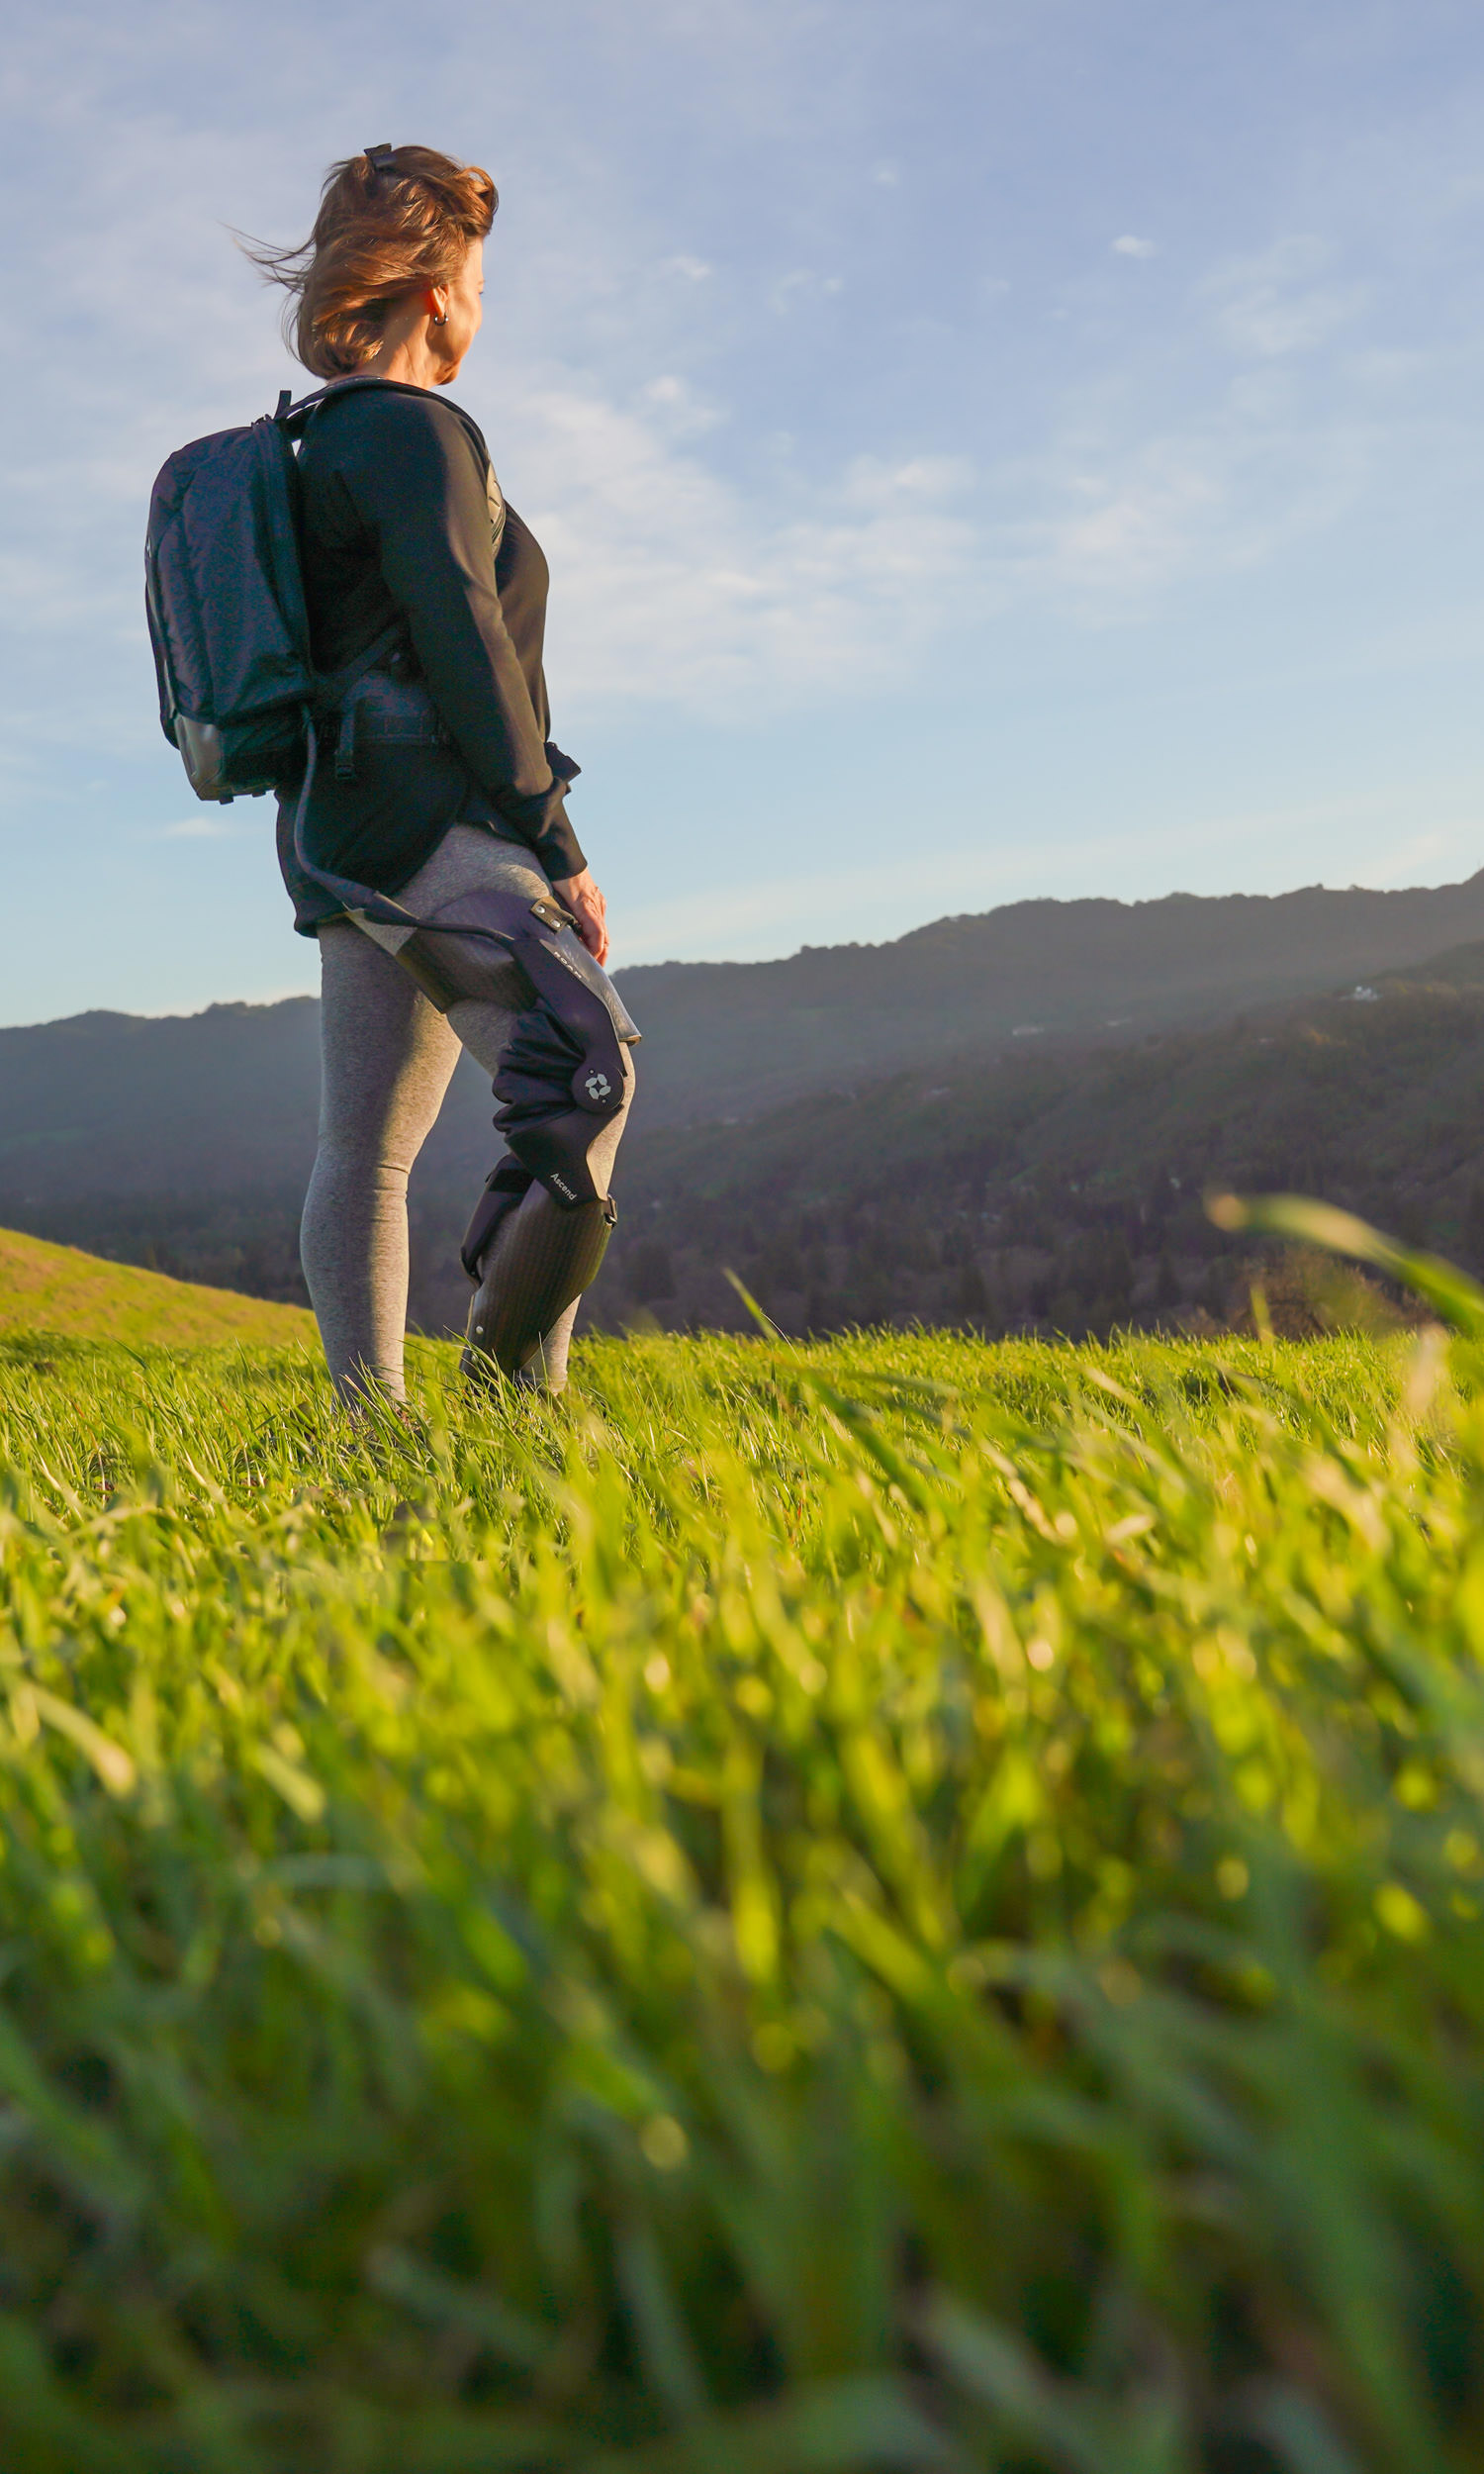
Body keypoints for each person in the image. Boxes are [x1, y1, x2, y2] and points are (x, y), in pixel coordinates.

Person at [252, 143, 633, 1404]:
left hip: (339, 830)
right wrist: (554, 839)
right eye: (475, 279)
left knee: (367, 1144)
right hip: (429, 818)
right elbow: (465, 638)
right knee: (585, 1066)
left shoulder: (310, 449)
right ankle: (520, 1409)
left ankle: (371, 1434)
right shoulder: (416, 433)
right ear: (435, 290)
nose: (479, 306)